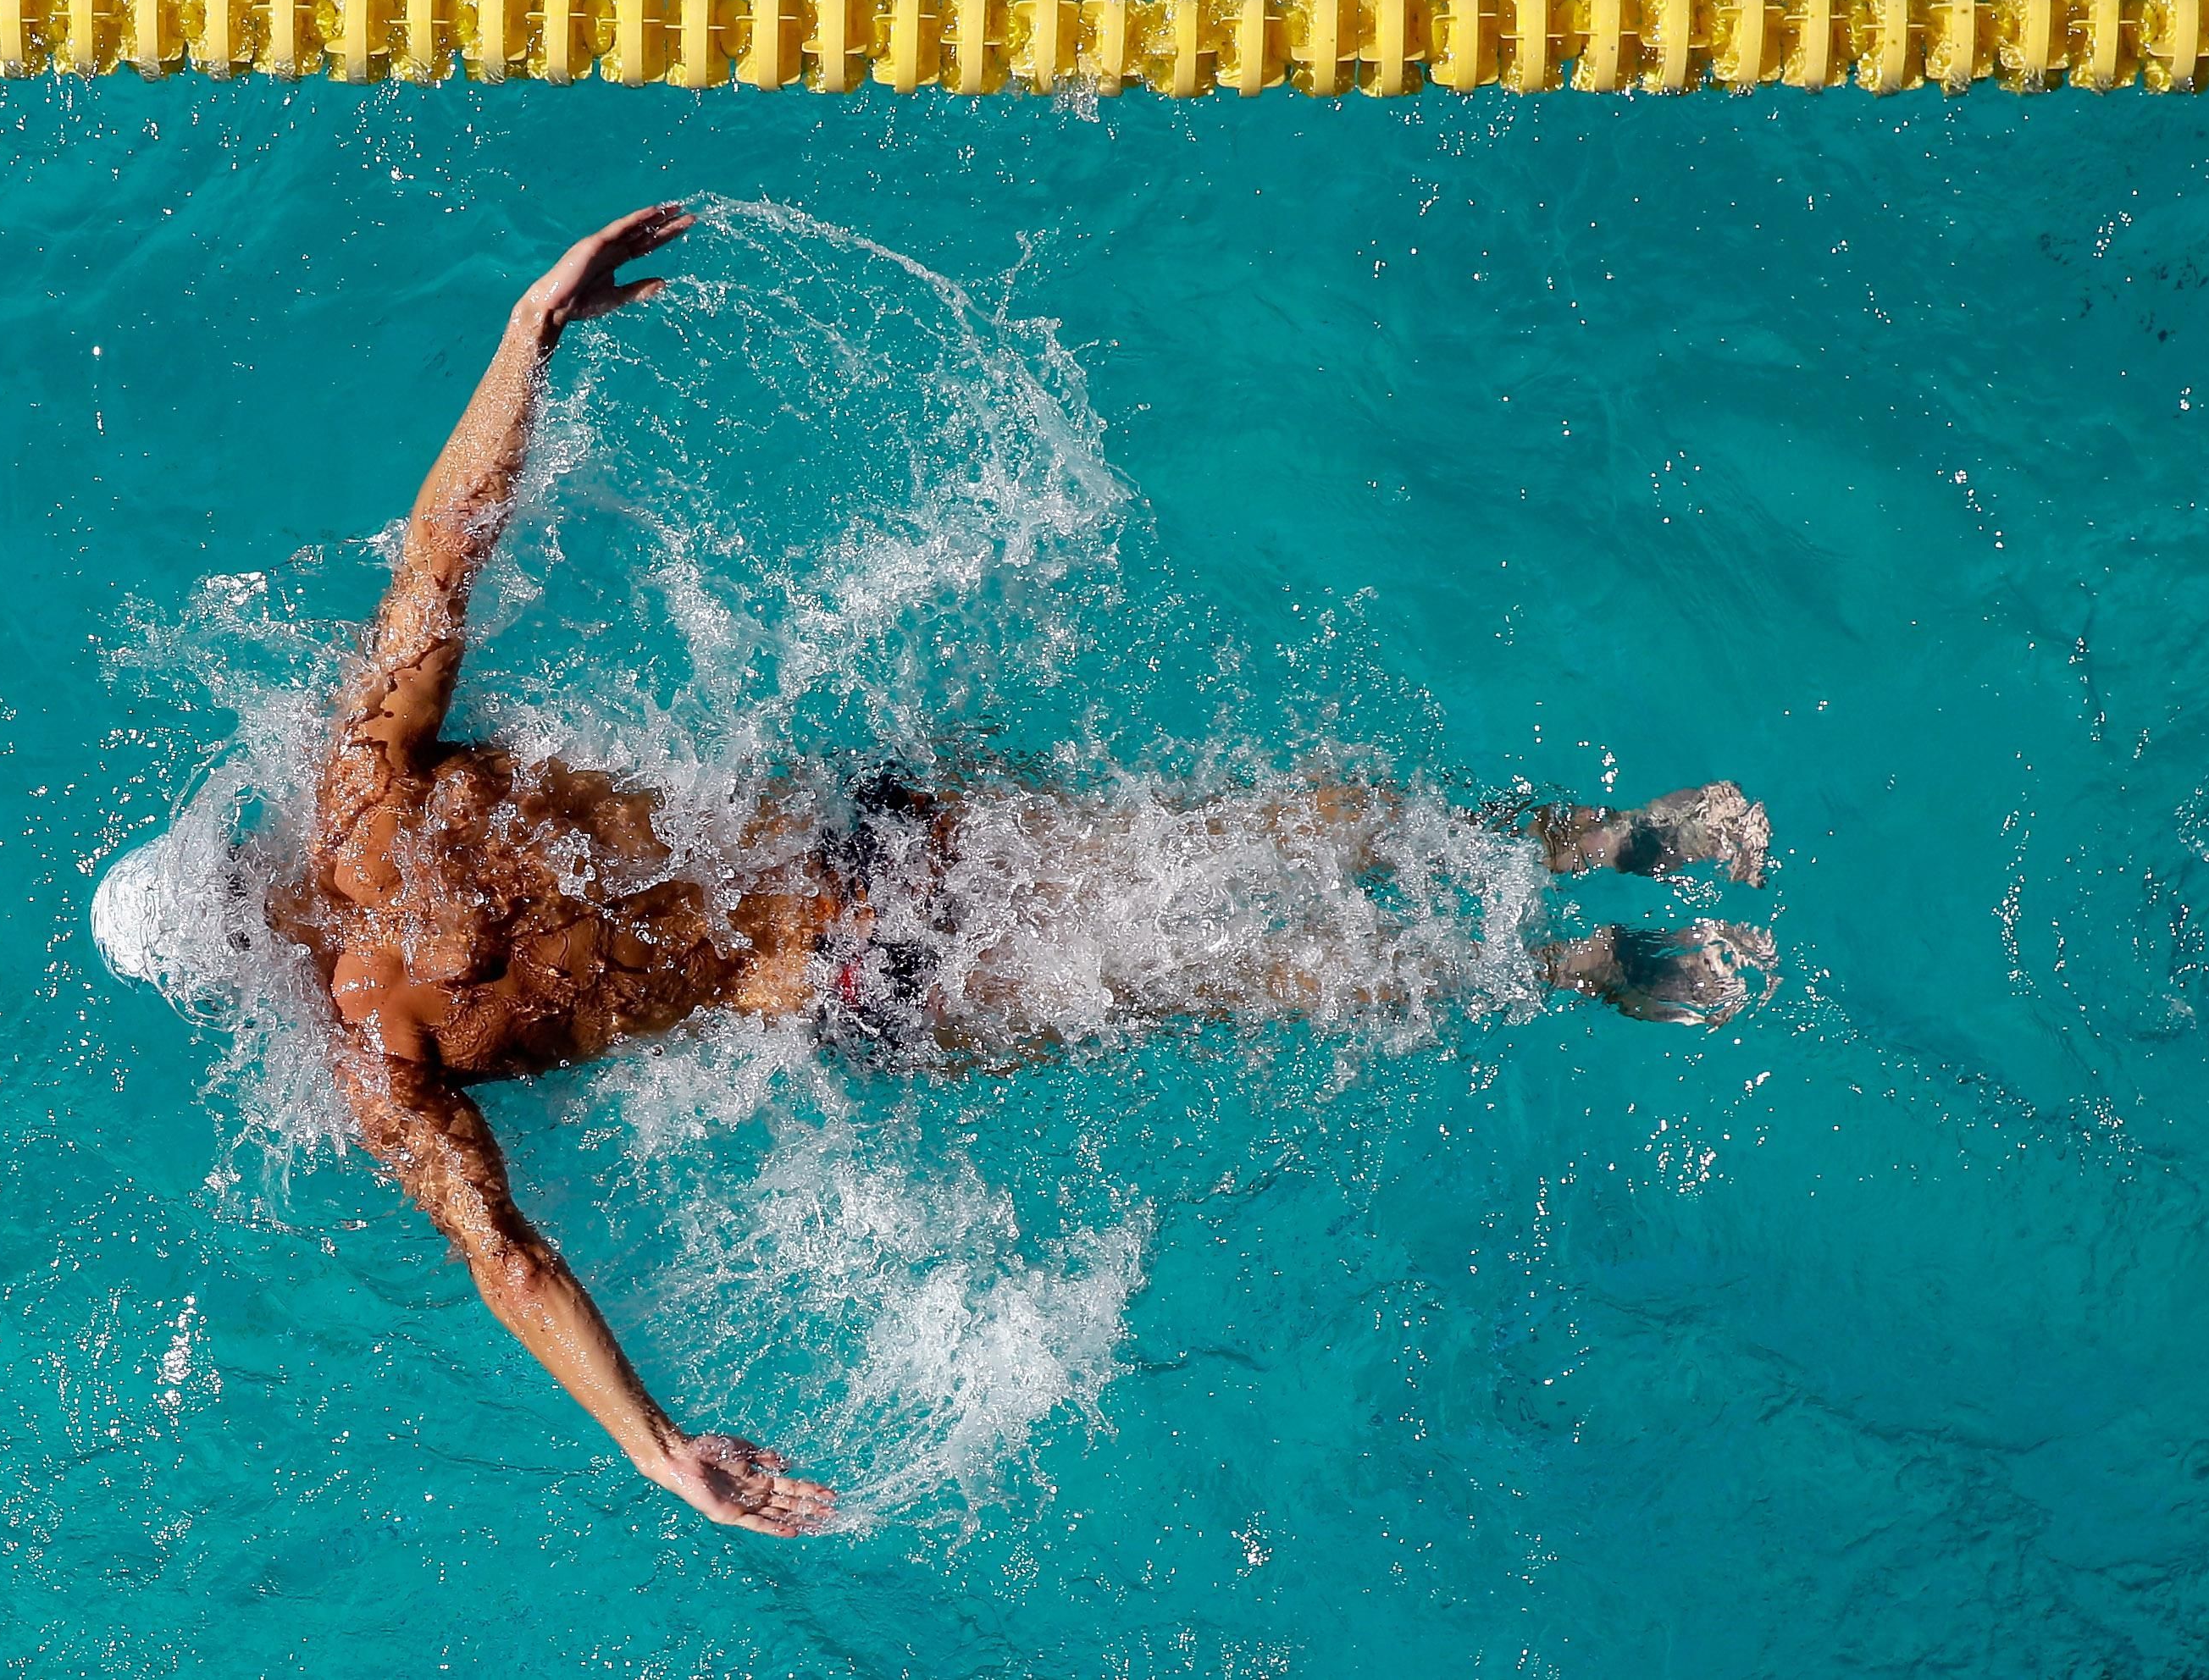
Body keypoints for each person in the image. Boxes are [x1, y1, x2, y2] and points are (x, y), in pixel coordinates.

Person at [263, 204, 1774, 1537]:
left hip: (866, 986)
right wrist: (528, 335)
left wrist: (654, 1444)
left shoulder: (379, 1061)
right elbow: (438, 556)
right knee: (1257, 831)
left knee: (1243, 976)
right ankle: (1599, 840)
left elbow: (504, 1254)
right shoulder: (360, 789)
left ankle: (1573, 969)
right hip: (870, 838)